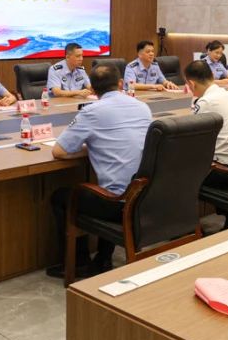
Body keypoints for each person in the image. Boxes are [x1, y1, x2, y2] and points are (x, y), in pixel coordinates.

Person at [48, 63, 153, 279]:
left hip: (118, 203)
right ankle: (103, 257)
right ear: (121, 84)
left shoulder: (91, 111)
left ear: (93, 90)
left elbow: (58, 151)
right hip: (147, 196)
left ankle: (78, 262)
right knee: (111, 184)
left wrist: (94, 146)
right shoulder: (142, 107)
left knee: (62, 197)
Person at [185, 58, 228, 164]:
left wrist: (194, 100)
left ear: (191, 84)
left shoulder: (205, 102)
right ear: (213, 76)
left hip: (222, 165)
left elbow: (192, 136)